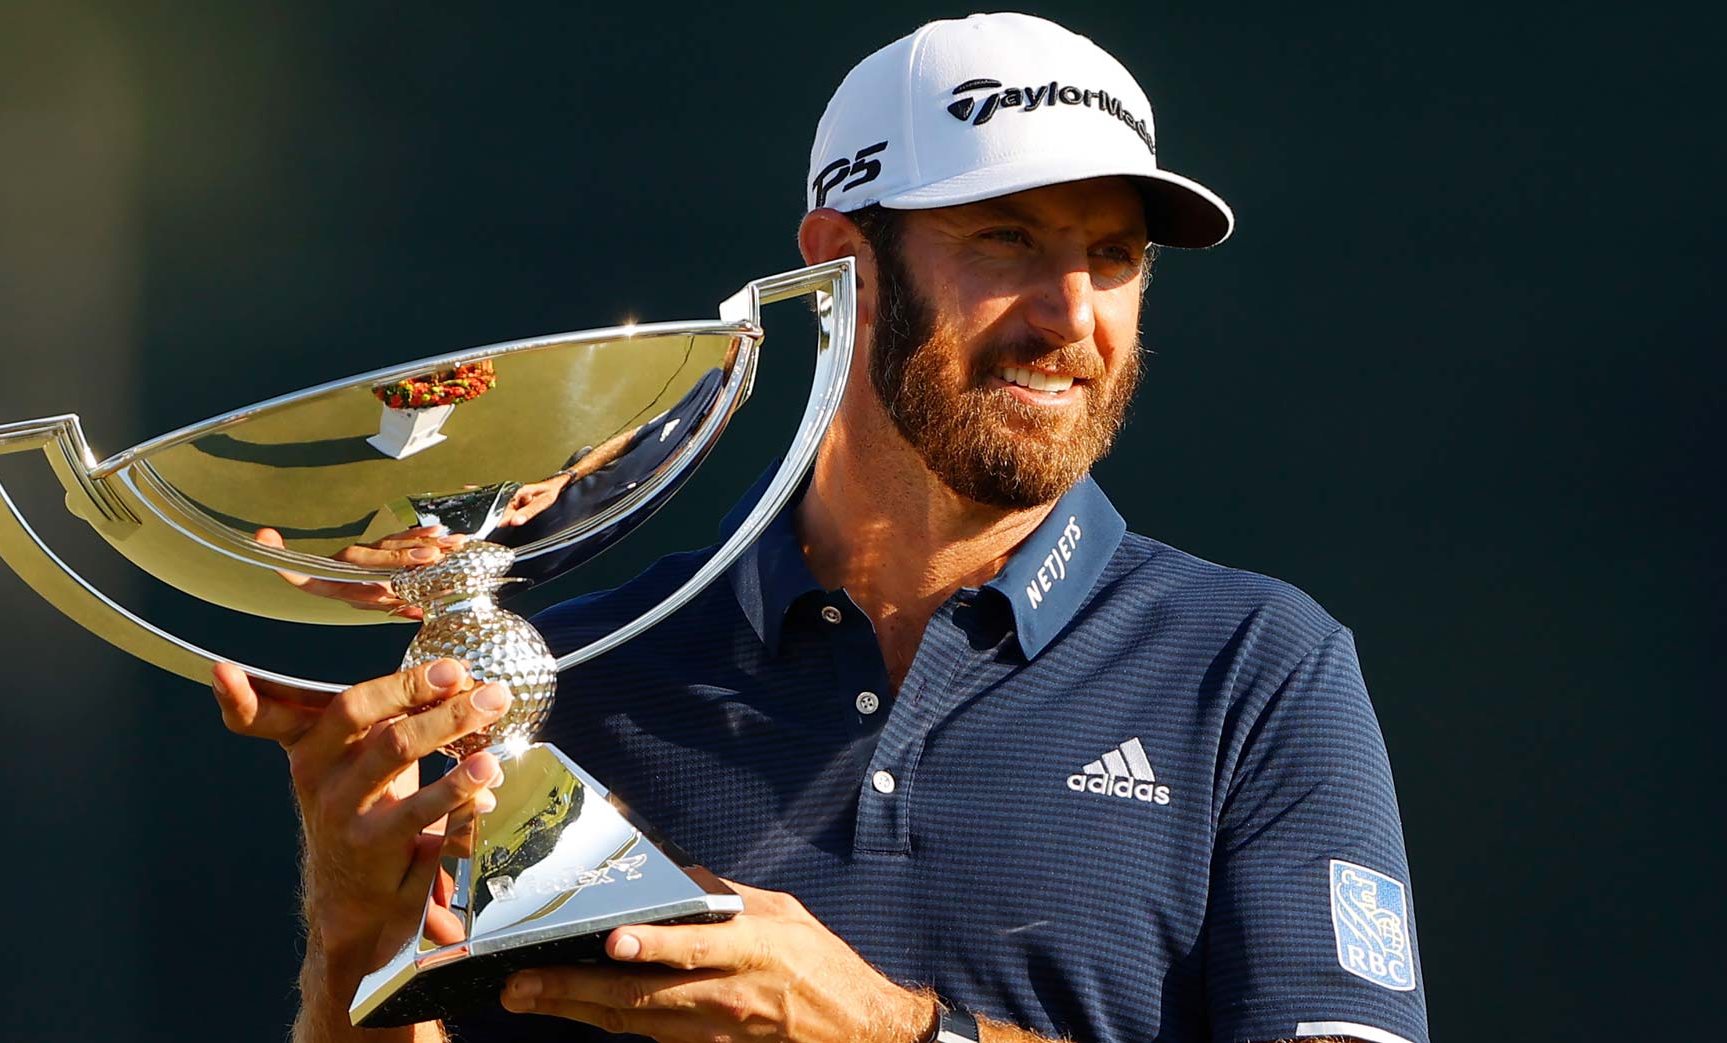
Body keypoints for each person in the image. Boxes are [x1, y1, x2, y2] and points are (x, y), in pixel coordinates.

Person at [211, 13, 1429, 1043]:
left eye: (1110, 256)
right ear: (841, 265)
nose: (1070, 316)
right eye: (1004, 239)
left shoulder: (1255, 666)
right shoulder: (578, 678)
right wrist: (352, 950)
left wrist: (891, 1029)